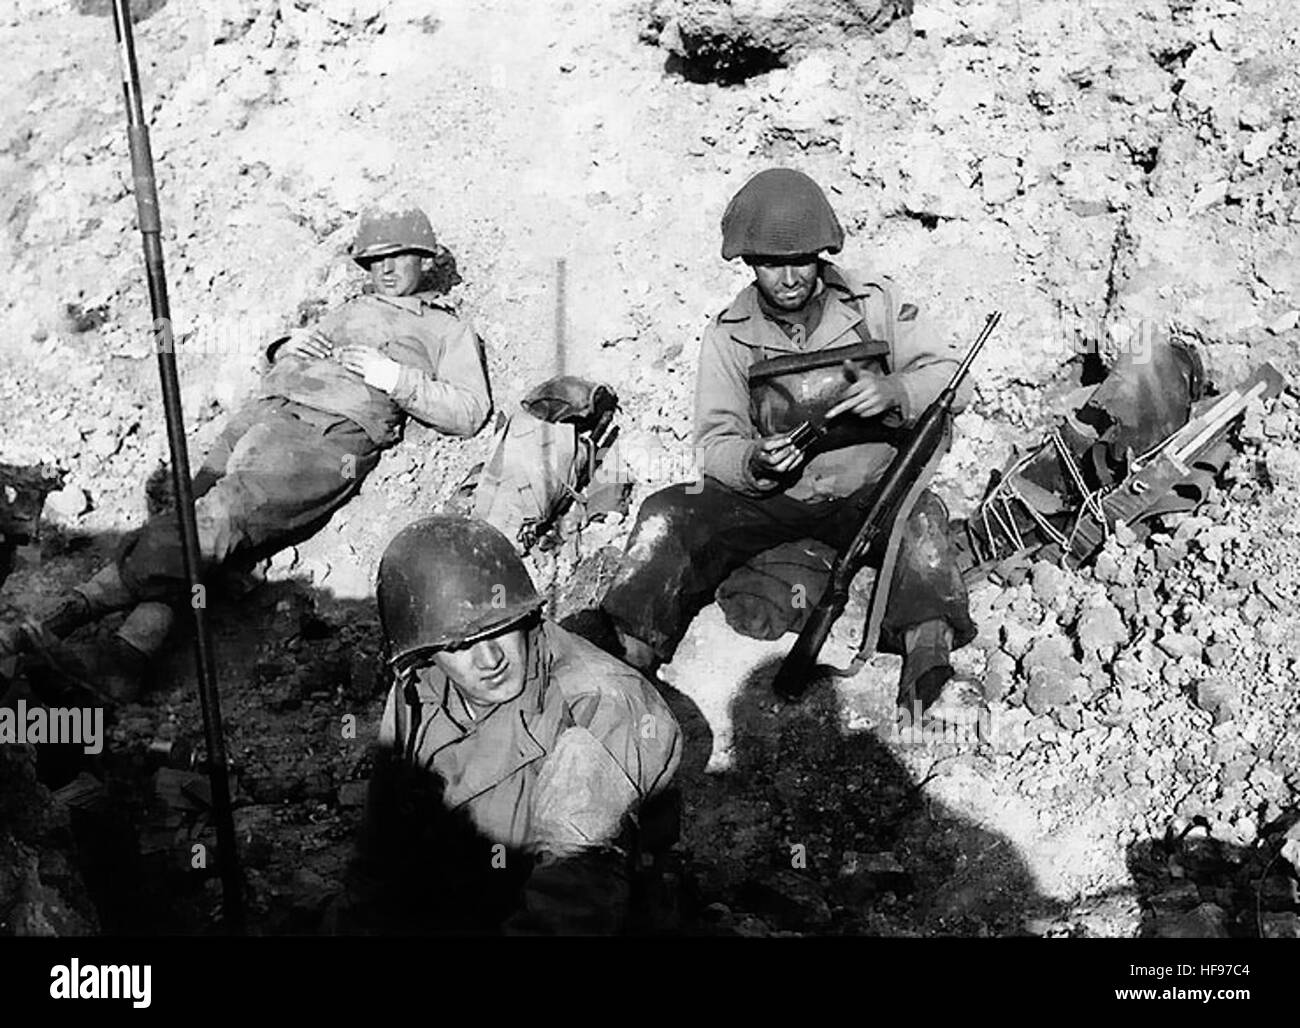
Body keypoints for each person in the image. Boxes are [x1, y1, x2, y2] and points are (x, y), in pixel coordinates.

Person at [1, 205, 491, 701]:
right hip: (263, 415)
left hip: (321, 438)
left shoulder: (445, 331)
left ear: (424, 258)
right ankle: (127, 658)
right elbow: (292, 349)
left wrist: (394, 378)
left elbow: (470, 411)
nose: (385, 270)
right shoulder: (351, 307)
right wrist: (285, 347)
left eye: (398, 256)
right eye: (374, 259)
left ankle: (70, 615)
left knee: (220, 516)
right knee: (194, 517)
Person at [600, 167, 978, 717]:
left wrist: (896, 388)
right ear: (748, 264)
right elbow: (713, 444)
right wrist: (754, 459)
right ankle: (630, 653)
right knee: (668, 514)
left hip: (869, 496)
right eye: (772, 264)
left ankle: (927, 653)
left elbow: (955, 378)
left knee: (920, 522)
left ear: (823, 252)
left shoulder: (874, 304)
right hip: (771, 502)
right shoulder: (729, 336)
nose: (790, 277)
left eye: (801, 258)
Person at [352, 514, 681, 934]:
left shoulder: (599, 706)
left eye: (499, 629)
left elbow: (575, 899)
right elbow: (380, 847)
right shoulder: (420, 688)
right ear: (427, 652)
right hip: (467, 890)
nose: (489, 660)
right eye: (458, 645)